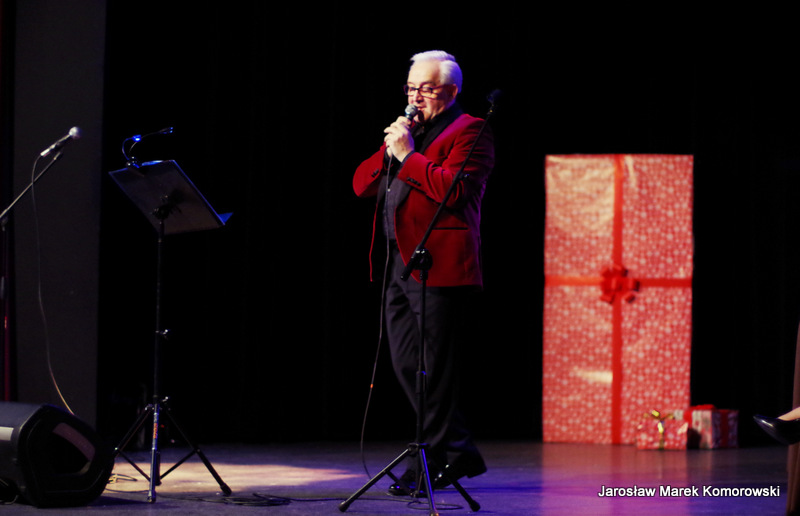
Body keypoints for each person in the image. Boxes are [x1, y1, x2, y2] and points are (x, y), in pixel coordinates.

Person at [352, 50, 494, 496]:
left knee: (432, 369)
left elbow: (453, 191)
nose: (415, 98)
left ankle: (430, 461)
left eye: (426, 90)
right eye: (411, 88)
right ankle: (457, 450)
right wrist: (391, 149)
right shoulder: (409, 134)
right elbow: (361, 185)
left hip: (440, 266)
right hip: (400, 263)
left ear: (450, 91)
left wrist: (408, 156)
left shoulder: (471, 130)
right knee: (406, 364)